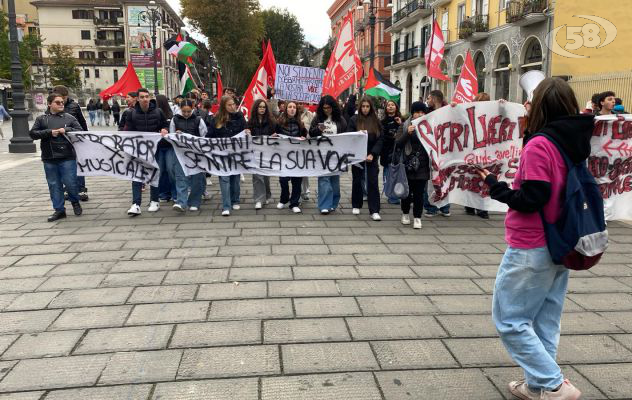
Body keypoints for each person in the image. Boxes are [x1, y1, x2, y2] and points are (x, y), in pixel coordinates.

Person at [478, 77, 591, 400]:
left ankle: (553, 383)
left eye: (530, 101)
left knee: (510, 319)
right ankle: (539, 384)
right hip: (561, 240)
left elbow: (532, 198)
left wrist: (496, 186)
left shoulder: (541, 144)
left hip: (533, 243)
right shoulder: (574, 140)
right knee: (545, 319)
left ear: (538, 106)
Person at [29, 93, 83, 222]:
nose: (61, 104)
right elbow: (33, 134)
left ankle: (75, 202)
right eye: (57, 102)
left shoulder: (69, 117)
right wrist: (49, 132)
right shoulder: (41, 118)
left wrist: (68, 129)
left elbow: (80, 131)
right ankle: (59, 210)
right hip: (49, 157)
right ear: (49, 104)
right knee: (54, 184)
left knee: (71, 182)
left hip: (67, 156)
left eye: (62, 102)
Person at [123, 88, 169, 216]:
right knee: (136, 176)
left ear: (149, 98)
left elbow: (165, 124)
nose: (145, 99)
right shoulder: (131, 114)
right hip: (138, 150)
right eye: (142, 97)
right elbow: (127, 131)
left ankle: (154, 200)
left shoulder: (158, 112)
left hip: (155, 149)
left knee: (154, 174)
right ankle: (136, 204)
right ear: (137, 99)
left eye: (146, 97)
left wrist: (164, 129)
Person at [206, 95, 247, 216]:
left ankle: (235, 199)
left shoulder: (240, 117)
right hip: (221, 155)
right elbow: (210, 135)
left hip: (236, 153)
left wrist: (247, 131)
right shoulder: (216, 119)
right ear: (224, 106)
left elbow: (244, 130)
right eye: (229, 105)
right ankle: (226, 205)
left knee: (235, 178)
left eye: (233, 104)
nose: (232, 106)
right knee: (224, 178)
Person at [395, 101, 430, 229]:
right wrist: (407, 133)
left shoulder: (429, 125)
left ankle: (417, 217)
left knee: (419, 193)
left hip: (422, 165)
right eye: (417, 112)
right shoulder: (404, 125)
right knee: (406, 192)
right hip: (406, 164)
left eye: (422, 112)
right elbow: (398, 143)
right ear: (412, 113)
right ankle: (405, 213)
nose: (420, 114)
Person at [310, 95, 347, 214]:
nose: (326, 110)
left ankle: (333, 203)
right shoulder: (317, 118)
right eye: (324, 108)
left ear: (333, 107)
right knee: (324, 179)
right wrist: (318, 130)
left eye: (329, 107)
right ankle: (324, 205)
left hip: (336, 154)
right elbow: (311, 133)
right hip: (322, 154)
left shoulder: (340, 119)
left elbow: (346, 134)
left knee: (334, 180)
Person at [348, 96, 383, 221]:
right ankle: (356, 204)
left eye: (367, 106)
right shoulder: (354, 120)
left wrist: (373, 153)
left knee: (373, 181)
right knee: (357, 179)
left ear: (371, 107)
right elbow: (349, 135)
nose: (365, 109)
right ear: (360, 107)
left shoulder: (376, 121)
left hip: (371, 155)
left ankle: (374, 210)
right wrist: (358, 135)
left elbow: (380, 139)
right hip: (358, 154)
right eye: (363, 106)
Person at [169, 99, 208, 211]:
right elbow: (171, 136)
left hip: (196, 153)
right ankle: (181, 202)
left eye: (189, 111)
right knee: (180, 176)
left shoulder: (198, 120)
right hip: (180, 153)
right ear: (180, 109)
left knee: (197, 177)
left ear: (193, 109)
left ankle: (194, 201)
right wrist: (176, 135)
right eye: (184, 111)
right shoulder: (174, 119)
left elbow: (203, 136)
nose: (186, 114)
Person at [53, 85, 89, 202]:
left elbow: (82, 122)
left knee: (78, 164)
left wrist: (85, 136)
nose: (61, 101)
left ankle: (81, 189)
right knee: (64, 165)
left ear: (66, 96)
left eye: (63, 98)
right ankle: (68, 189)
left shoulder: (74, 106)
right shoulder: (53, 106)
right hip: (60, 141)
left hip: (74, 139)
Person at [274, 101, 307, 213]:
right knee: (283, 179)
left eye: (294, 107)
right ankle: (284, 199)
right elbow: (275, 136)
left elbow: (305, 137)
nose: (292, 109)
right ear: (286, 109)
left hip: (297, 156)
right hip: (283, 156)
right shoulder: (279, 123)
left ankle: (294, 203)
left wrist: (304, 138)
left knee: (297, 180)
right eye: (290, 107)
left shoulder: (300, 124)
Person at [424, 89, 451, 217]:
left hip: (446, 150)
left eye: (429, 98)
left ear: (434, 99)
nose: (427, 101)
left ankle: (445, 207)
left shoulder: (450, 110)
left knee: (445, 178)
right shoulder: (426, 112)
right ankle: (431, 207)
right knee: (431, 179)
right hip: (431, 151)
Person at [464, 92, 491, 219]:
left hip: (486, 151)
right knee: (473, 178)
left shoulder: (492, 113)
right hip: (473, 150)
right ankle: (472, 206)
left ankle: (481, 208)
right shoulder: (469, 112)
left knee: (482, 179)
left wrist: (502, 105)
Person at [247, 99, 276, 209]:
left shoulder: (271, 122)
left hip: (267, 153)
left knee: (265, 176)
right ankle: (259, 199)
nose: (262, 109)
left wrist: (274, 136)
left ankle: (267, 195)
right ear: (256, 108)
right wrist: (247, 131)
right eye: (260, 107)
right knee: (257, 176)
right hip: (255, 153)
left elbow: (275, 133)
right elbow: (247, 132)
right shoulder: (251, 122)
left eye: (264, 107)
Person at [381, 99, 403, 205]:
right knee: (388, 174)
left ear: (396, 107)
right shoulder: (382, 122)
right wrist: (393, 137)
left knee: (398, 175)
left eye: (392, 105)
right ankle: (391, 195)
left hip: (399, 152)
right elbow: (382, 136)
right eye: (388, 105)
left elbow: (405, 133)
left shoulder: (401, 120)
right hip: (387, 152)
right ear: (386, 108)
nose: (390, 106)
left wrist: (401, 124)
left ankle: (396, 194)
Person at [155, 94, 176, 203]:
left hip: (169, 146)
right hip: (159, 146)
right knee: (162, 170)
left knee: (170, 169)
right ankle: (163, 193)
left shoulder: (170, 115)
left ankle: (174, 192)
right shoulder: (155, 114)